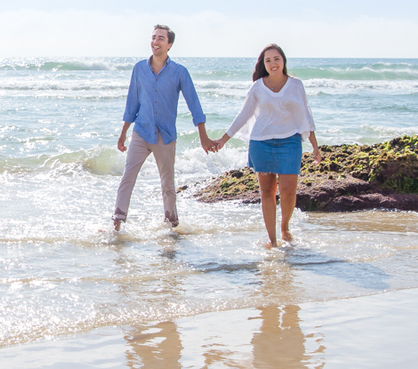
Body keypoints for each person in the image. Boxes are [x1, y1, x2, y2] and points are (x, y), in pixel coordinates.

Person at [214, 44, 321, 247]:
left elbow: (306, 115)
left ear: (283, 61)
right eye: (268, 60)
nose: (273, 63)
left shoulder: (296, 85)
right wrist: (223, 139)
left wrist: (314, 145)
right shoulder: (257, 87)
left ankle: (285, 227)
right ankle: (272, 240)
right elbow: (243, 115)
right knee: (267, 192)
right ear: (263, 64)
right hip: (261, 143)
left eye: (276, 59)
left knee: (289, 191)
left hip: (290, 142)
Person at [114, 25, 217, 231]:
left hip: (166, 135)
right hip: (141, 132)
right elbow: (132, 104)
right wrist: (123, 132)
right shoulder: (139, 69)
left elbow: (194, 104)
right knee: (128, 177)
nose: (155, 42)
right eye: (153, 37)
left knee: (167, 185)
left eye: (161, 38)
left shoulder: (180, 72)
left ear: (169, 45)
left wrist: (203, 136)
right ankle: (116, 224)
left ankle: (171, 226)